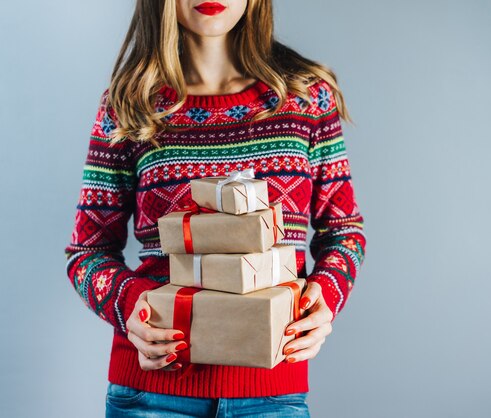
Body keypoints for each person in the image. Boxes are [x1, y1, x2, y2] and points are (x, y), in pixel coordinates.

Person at [64, 0, 366, 416]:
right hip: (151, 394)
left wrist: (324, 297)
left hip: (273, 393)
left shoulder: (306, 97)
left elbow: (344, 230)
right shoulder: (129, 106)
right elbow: (87, 252)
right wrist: (131, 304)